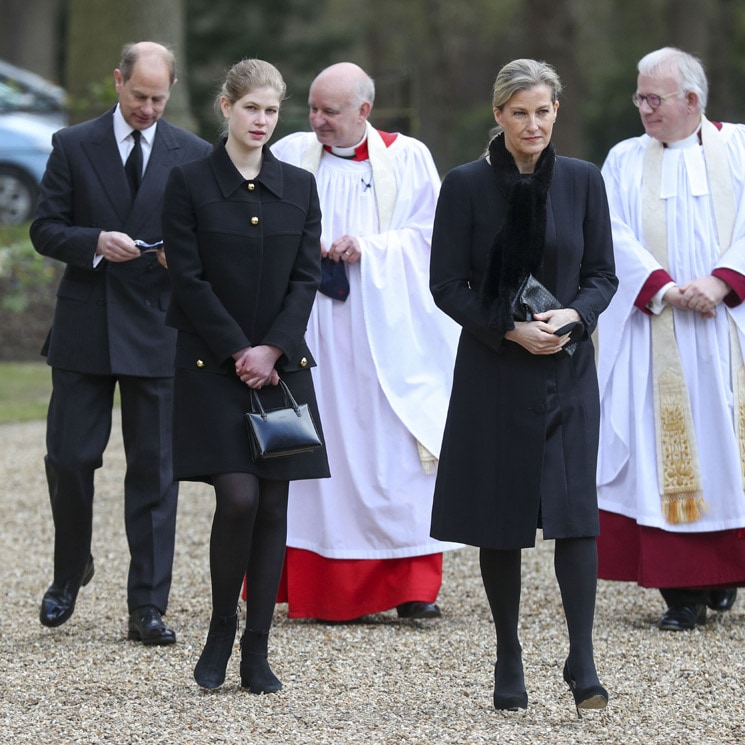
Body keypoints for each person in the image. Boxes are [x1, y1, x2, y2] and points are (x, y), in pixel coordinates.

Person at [429, 59, 617, 715]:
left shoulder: (583, 182)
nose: (531, 124)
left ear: (555, 111)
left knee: (576, 515)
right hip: (493, 371)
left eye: (541, 111)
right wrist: (507, 331)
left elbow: (601, 273)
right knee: (500, 517)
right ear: (498, 115)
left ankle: (582, 657)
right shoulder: (464, 186)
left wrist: (576, 314)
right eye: (518, 112)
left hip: (567, 371)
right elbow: (446, 284)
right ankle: (507, 654)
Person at [31, 42, 212, 644]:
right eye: (140, 96)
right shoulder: (73, 145)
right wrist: (94, 241)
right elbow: (45, 229)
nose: (149, 108)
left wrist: (174, 258)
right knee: (69, 459)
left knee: (156, 471)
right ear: (118, 82)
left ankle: (147, 607)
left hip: (159, 326)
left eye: (160, 99)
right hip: (87, 322)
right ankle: (69, 570)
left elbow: (205, 242)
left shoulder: (194, 153)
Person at [269, 62, 461, 622]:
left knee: (393, 452)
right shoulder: (290, 154)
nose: (318, 121)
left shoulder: (408, 157)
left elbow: (434, 236)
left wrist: (371, 248)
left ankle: (411, 585)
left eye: (331, 111)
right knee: (316, 449)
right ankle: (320, 584)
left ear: (364, 112)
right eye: (313, 108)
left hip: (386, 331)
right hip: (311, 330)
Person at [162, 58, 329, 692]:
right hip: (214, 367)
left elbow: (306, 279)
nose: (261, 120)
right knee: (238, 497)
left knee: (275, 503)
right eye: (250, 107)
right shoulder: (188, 182)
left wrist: (274, 348)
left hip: (281, 369)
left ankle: (258, 650)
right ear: (226, 107)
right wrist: (240, 349)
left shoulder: (299, 186)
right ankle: (219, 631)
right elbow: (189, 278)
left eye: (270, 110)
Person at [596, 47, 745, 631]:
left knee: (728, 449)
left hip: (728, 328)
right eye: (639, 97)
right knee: (667, 455)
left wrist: (720, 282)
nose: (643, 109)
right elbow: (607, 230)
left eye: (653, 98)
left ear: (692, 100)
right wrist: (661, 287)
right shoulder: (624, 160)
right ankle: (681, 592)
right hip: (657, 331)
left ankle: (726, 572)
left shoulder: (739, 149)